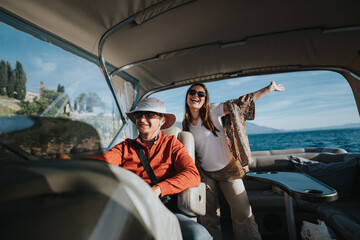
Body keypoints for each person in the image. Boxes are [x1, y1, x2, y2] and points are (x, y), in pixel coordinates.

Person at [90, 98, 212, 240]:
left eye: (149, 115)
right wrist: (67, 160)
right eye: (138, 115)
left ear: (162, 121)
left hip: (166, 210)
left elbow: (192, 175)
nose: (142, 119)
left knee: (199, 235)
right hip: (133, 209)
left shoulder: (172, 144)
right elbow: (101, 162)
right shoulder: (125, 147)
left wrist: (159, 188)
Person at [182, 81, 285, 240]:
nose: (196, 96)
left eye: (201, 94)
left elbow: (242, 102)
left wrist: (269, 89)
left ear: (205, 98)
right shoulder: (185, 123)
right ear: (187, 96)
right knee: (208, 217)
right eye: (192, 92)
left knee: (243, 214)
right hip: (205, 174)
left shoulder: (213, 110)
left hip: (228, 170)